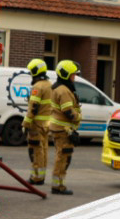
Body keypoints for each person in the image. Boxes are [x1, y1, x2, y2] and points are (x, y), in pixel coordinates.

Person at [45, 59, 83, 195]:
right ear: (66, 75)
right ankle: (58, 186)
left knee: (62, 156)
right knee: (63, 157)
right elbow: (68, 111)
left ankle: (59, 184)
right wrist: (78, 117)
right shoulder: (64, 91)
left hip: (59, 129)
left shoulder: (58, 88)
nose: (75, 77)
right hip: (63, 131)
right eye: (73, 75)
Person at [23, 58, 52, 186]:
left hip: (36, 125)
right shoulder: (50, 85)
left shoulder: (37, 87)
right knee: (44, 150)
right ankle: (41, 176)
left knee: (36, 151)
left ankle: (36, 178)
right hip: (47, 124)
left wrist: (26, 123)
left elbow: (33, 107)